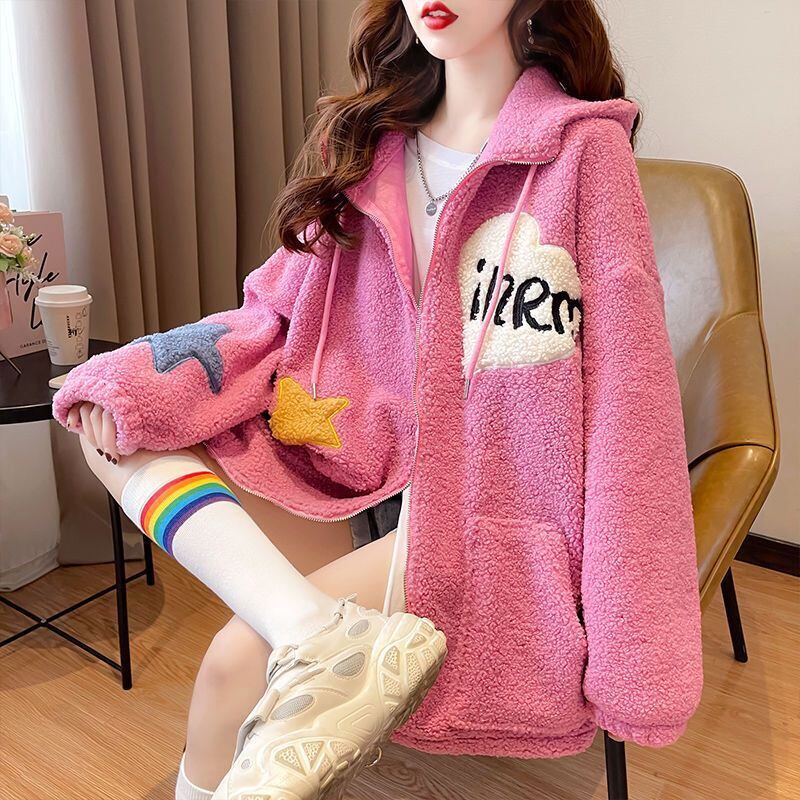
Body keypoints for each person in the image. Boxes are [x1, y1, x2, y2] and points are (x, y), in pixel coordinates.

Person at [52, 1, 705, 798]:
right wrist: (137, 379)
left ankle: (304, 637)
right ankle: (307, 627)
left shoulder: (582, 152)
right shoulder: (366, 143)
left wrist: (639, 651)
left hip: (476, 513)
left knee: (230, 669)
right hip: (350, 468)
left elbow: (630, 399)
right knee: (107, 419)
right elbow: (276, 314)